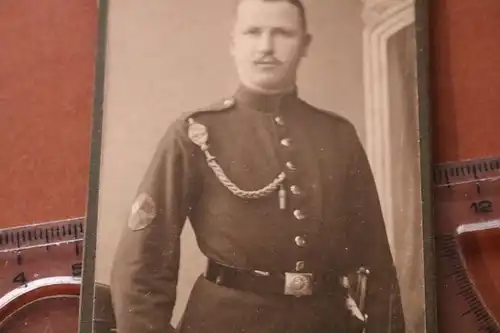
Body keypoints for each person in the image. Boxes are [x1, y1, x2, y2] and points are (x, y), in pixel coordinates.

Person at [109, 0, 406, 332]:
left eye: (282, 33)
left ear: (304, 44)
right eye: (253, 32)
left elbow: (375, 261)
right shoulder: (195, 134)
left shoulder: (337, 135)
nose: (266, 46)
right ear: (234, 43)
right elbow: (142, 263)